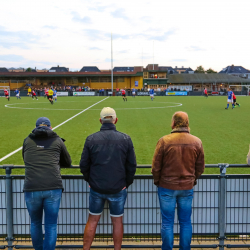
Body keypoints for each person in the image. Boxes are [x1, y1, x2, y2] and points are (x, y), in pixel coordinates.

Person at [80, 107, 137, 250]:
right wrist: (125, 184)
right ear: (115, 120)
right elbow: (132, 166)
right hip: (118, 188)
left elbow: (83, 166)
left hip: (97, 188)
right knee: (117, 222)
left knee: (92, 220)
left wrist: (91, 181)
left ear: (100, 121)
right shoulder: (125, 139)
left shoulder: (91, 139)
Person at [152, 111, 205, 250]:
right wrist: (192, 180)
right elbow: (200, 167)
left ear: (173, 123)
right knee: (186, 222)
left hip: (166, 186)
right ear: (187, 123)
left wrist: (158, 181)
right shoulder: (196, 141)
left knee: (167, 222)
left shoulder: (164, 141)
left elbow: (155, 167)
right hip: (186, 187)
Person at [22, 117, 72, 250]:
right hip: (52, 186)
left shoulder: (27, 140)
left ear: (36, 126)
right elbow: (68, 162)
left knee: (35, 223)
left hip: (32, 186)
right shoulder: (57, 140)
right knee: (51, 225)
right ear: (50, 127)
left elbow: (25, 159)